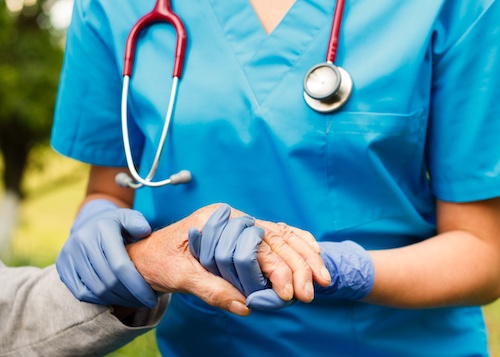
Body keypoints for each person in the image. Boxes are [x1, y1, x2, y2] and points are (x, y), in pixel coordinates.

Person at [51, 0, 500, 356]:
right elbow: (111, 188)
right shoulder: (109, 7)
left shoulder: (458, 6)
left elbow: (484, 252)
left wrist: (333, 268)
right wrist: (97, 226)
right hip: (205, 347)